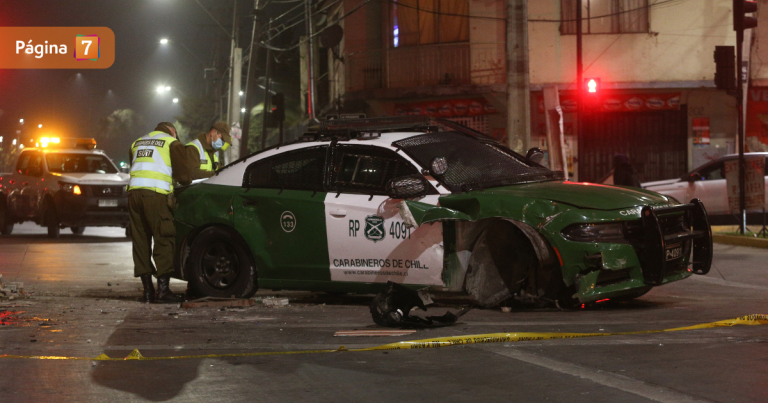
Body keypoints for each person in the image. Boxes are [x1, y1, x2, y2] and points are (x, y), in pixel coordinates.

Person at [127, 122, 192, 303]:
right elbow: (185, 177)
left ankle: (147, 291)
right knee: (164, 238)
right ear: (173, 131)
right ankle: (163, 291)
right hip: (156, 195)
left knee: (140, 241)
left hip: (133, 195)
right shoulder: (172, 143)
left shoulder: (137, 142)